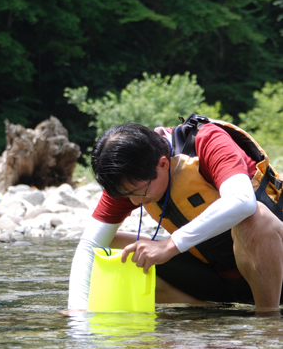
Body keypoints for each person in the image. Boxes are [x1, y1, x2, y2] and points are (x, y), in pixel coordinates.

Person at [68, 117, 283, 314]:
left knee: (253, 218)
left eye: (139, 193)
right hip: (216, 280)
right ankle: (209, 313)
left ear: (162, 164)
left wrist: (169, 245)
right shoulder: (128, 179)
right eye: (127, 195)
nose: (134, 202)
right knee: (111, 246)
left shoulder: (208, 141)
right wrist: (77, 313)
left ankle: (267, 321)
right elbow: (89, 244)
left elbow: (242, 201)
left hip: (274, 275)